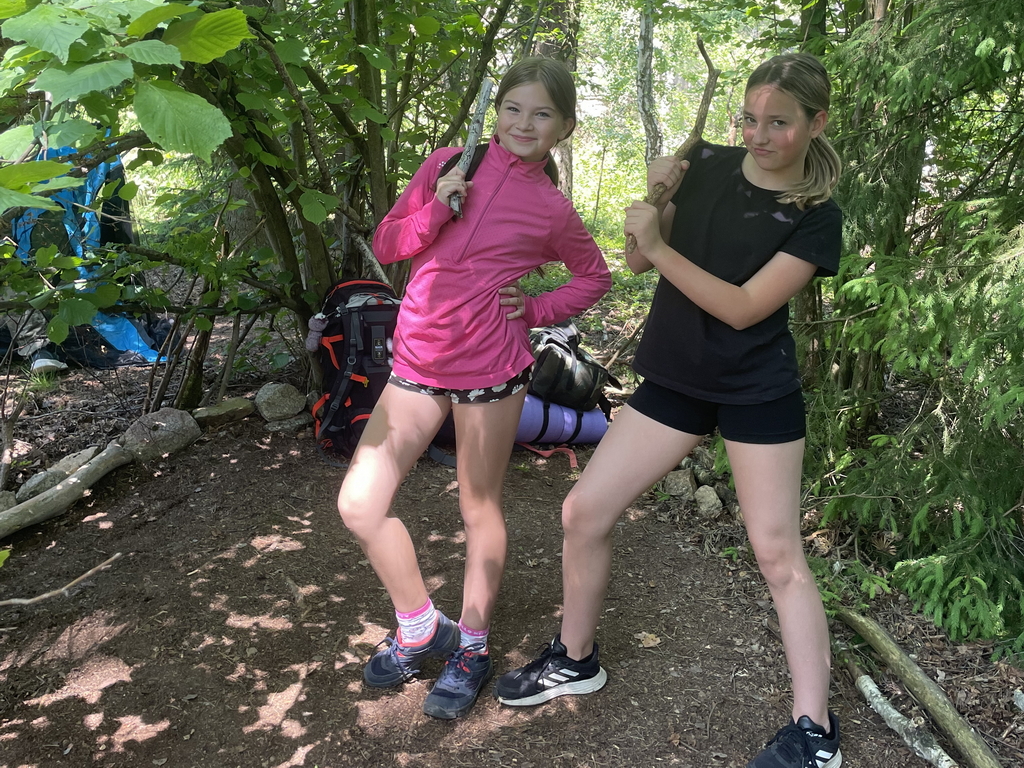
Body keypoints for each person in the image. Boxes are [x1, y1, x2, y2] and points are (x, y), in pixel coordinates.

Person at [495, 53, 844, 768]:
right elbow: (637, 263)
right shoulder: (706, 162)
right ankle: (575, 658)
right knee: (584, 511)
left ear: (817, 123)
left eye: (778, 123)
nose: (758, 135)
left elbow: (743, 309)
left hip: (756, 389)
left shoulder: (816, 216)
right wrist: (654, 208)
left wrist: (657, 241)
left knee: (778, 554)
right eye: (749, 118)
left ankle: (814, 731)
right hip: (677, 380)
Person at [337, 57, 611, 720]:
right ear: (497, 110)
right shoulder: (447, 163)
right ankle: (420, 626)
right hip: (417, 361)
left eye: (542, 114)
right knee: (359, 505)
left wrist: (536, 309)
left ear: (564, 127)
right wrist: (436, 207)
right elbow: (388, 242)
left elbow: (594, 276)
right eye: (513, 107)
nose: (524, 123)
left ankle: (473, 648)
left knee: (477, 508)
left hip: (491, 369)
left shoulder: (551, 208)